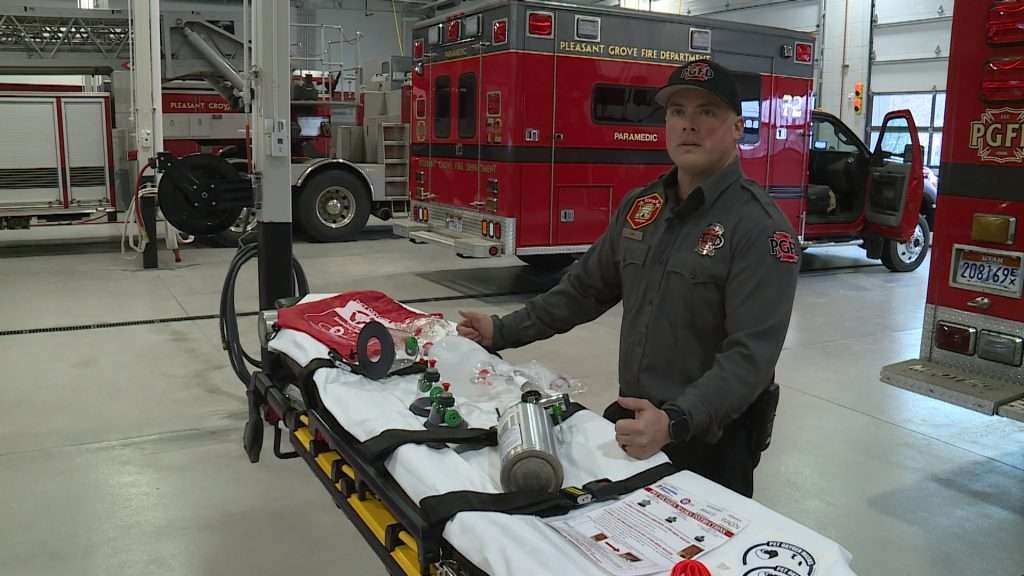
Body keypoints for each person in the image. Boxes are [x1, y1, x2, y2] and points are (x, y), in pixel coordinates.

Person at [457, 60, 800, 497]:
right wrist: (501, 330)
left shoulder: (760, 229)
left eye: (707, 112)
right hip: (635, 424)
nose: (689, 124)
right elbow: (584, 290)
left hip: (710, 441)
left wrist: (675, 421)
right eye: (677, 111)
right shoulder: (643, 208)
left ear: (738, 127)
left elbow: (750, 357)